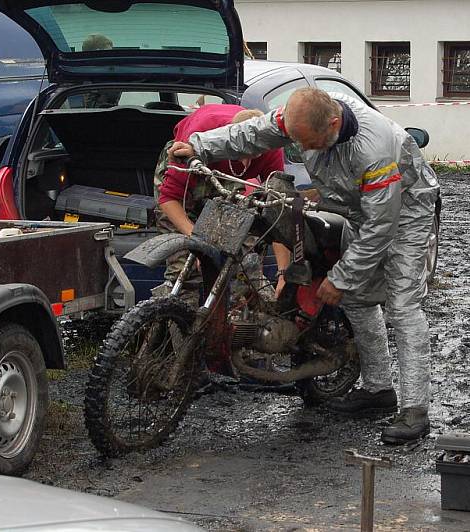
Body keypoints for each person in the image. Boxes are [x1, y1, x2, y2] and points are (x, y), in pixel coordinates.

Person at [168, 88, 440, 445]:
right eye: (298, 142)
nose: (305, 150)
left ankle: (415, 410)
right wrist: (201, 145)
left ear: (333, 122)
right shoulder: (301, 117)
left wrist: (341, 277)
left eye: (310, 143)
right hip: (359, 209)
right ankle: (378, 390)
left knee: (403, 305)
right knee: (356, 299)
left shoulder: (377, 149)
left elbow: (380, 227)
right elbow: (253, 132)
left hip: (405, 210)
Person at [152, 104, 287, 302]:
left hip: (227, 180)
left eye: (254, 155)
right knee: (184, 267)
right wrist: (200, 244)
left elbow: (277, 210)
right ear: (230, 141)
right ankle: (178, 317)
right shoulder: (198, 137)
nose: (247, 163)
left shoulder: (271, 145)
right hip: (193, 164)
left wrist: (283, 272)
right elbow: (169, 198)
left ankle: (238, 318)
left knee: (241, 261)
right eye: (242, 153)